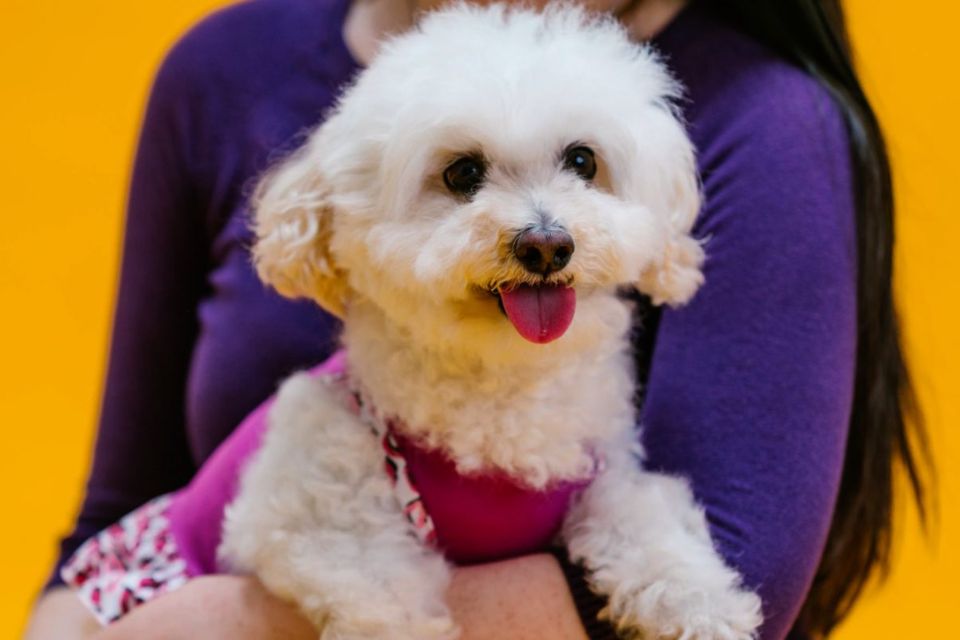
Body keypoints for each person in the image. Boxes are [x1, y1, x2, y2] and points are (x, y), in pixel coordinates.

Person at [24, 0, 932, 638]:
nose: (541, 232)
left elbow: (745, 566)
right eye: (465, 178)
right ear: (346, 220)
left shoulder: (765, 114)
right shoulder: (341, 430)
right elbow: (137, 515)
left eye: (580, 165)